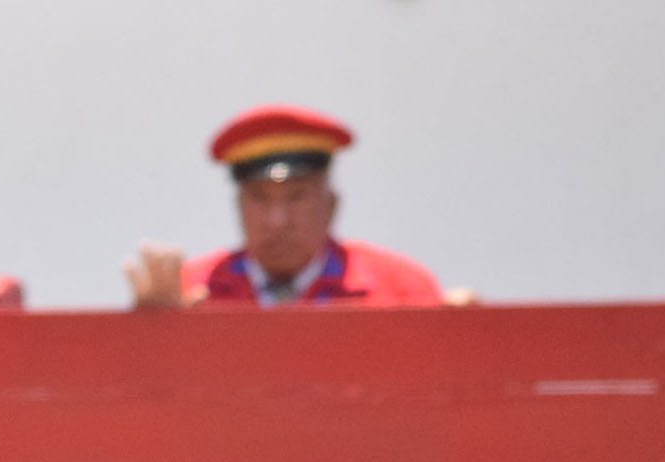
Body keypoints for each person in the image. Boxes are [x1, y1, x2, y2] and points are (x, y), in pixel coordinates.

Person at [127, 104, 456, 309]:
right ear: (238, 207)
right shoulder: (190, 291)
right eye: (259, 197)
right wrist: (155, 335)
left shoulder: (402, 289)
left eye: (297, 197)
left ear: (331, 205)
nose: (277, 220)